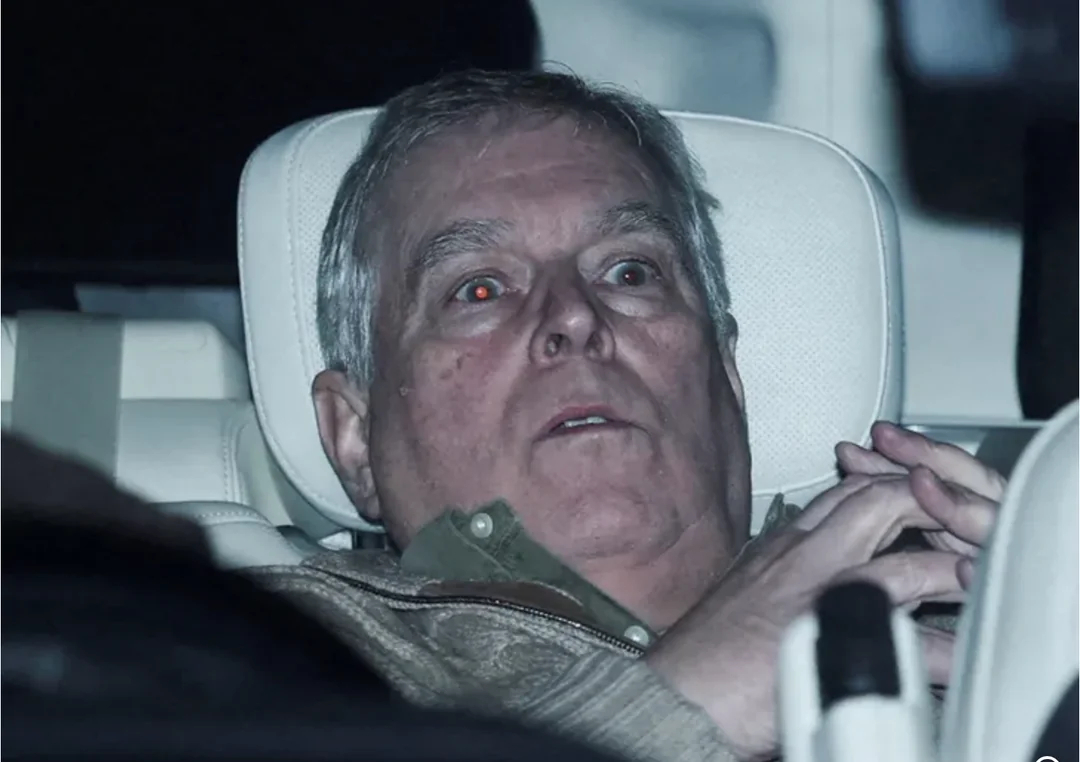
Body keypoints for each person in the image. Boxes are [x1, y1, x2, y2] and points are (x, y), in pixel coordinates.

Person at [255, 70, 1006, 762]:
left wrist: (1036, 609)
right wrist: (682, 708)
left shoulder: (956, 617)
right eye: (478, 290)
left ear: (727, 375)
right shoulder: (271, 659)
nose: (574, 316)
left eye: (629, 271)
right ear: (354, 438)